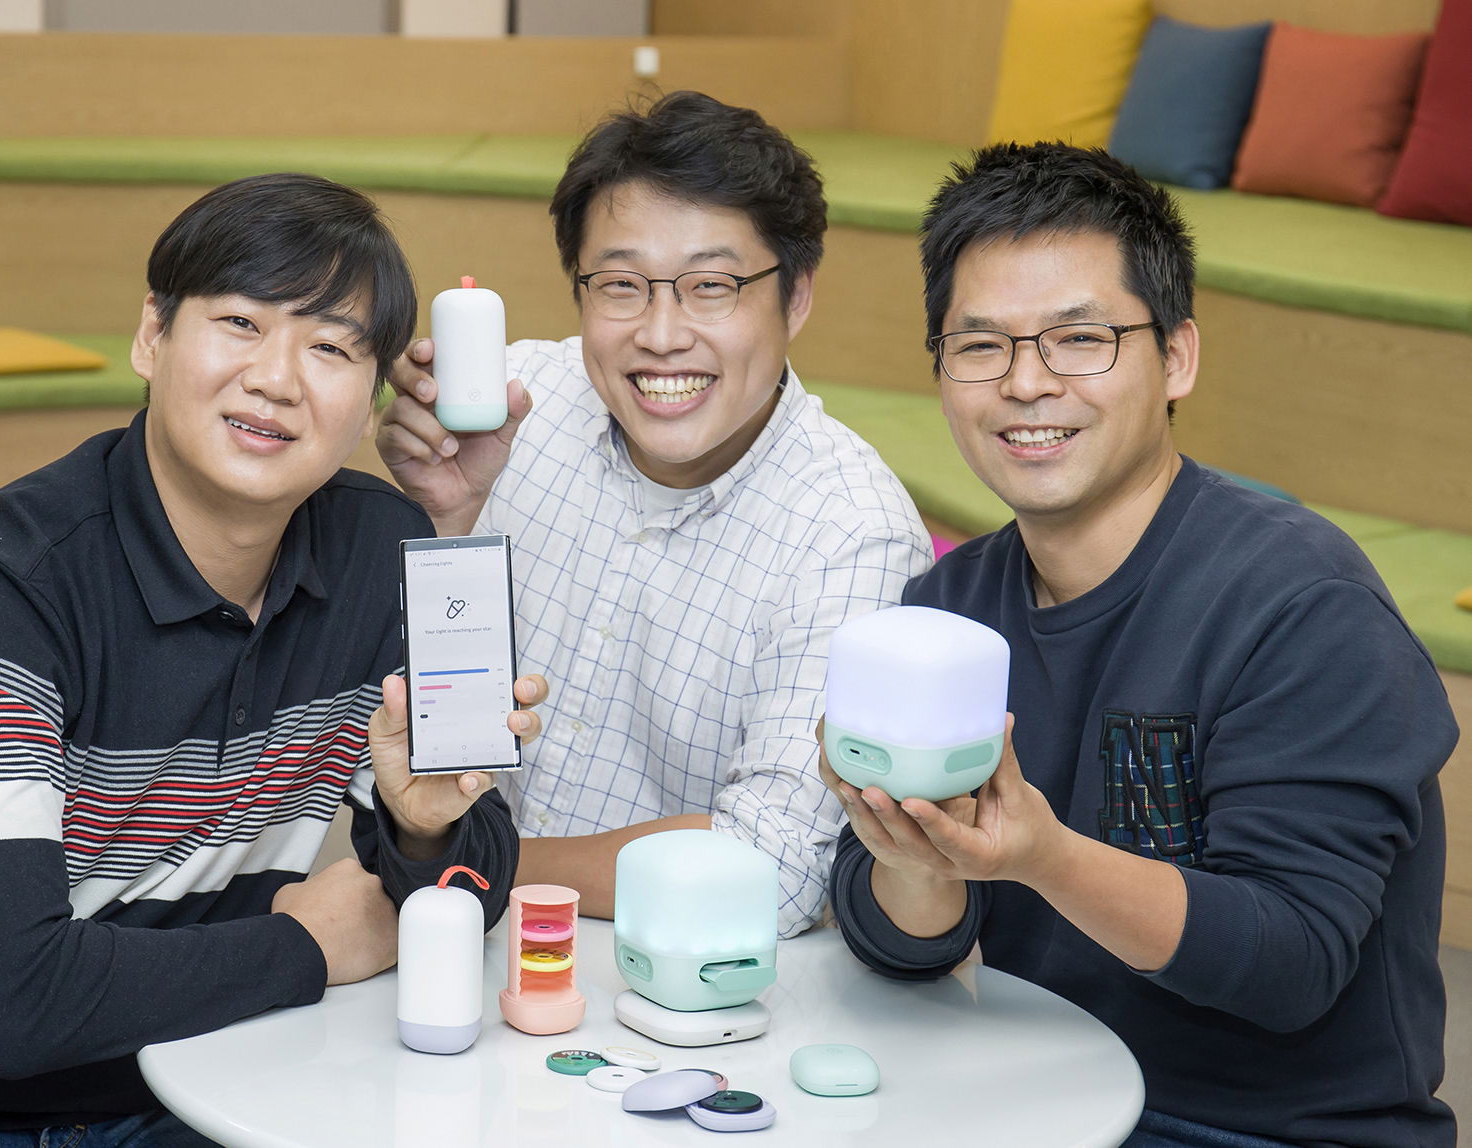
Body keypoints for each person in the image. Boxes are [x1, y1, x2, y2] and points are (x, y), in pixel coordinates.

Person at [0, 173, 544, 1145]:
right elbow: (13, 1002)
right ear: (151, 336)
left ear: (371, 400)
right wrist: (308, 942)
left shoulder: (380, 551)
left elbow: (470, 887)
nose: (277, 378)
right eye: (240, 323)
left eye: (330, 347)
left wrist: (422, 831)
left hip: (182, 1072)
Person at [823, 141, 1458, 1148]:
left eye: (1079, 338)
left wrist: (1044, 858)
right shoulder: (946, 608)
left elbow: (1292, 961)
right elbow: (899, 943)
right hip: (1027, 1106)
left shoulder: (1303, 606)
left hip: (1261, 1132)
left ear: (1176, 357)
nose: (1025, 383)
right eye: (979, 345)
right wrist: (918, 860)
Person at [377, 91, 933, 936]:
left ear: (796, 296)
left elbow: (770, 870)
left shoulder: (853, 534)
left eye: (711, 286)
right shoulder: (514, 409)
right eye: (621, 286)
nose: (662, 334)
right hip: (458, 938)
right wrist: (446, 522)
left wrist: (458, 866)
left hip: (679, 970)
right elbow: (387, 747)